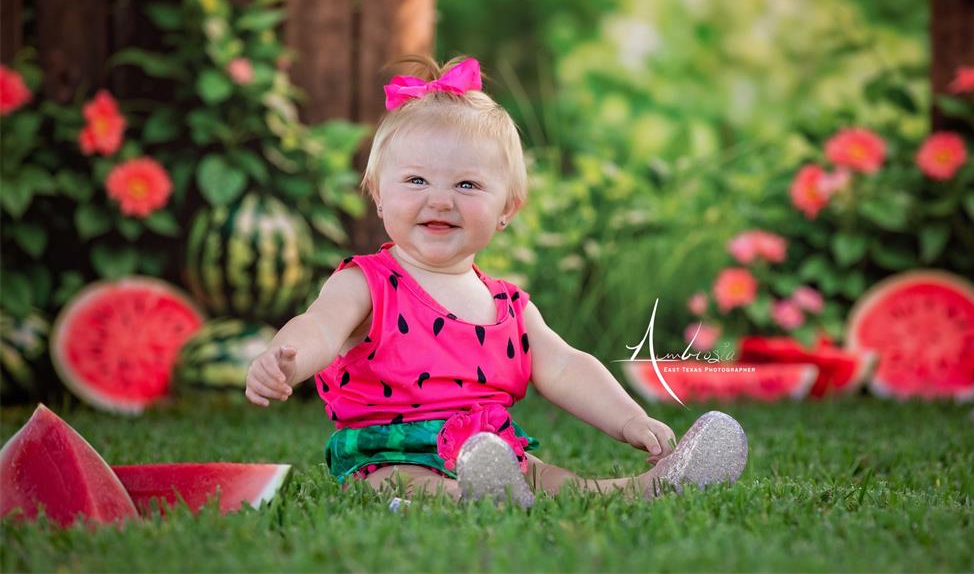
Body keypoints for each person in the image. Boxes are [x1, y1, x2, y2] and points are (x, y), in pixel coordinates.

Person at [245, 55, 748, 506]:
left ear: (506, 208)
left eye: (466, 184)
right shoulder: (367, 283)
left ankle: (648, 486)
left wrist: (630, 419)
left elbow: (568, 368)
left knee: (552, 481)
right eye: (416, 181)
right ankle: (472, 496)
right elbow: (320, 329)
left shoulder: (509, 305)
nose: (440, 199)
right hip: (390, 455)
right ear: (378, 194)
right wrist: (284, 360)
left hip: (496, 455)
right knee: (405, 482)